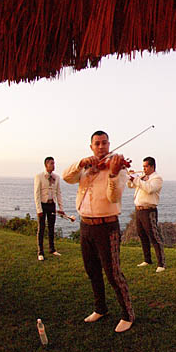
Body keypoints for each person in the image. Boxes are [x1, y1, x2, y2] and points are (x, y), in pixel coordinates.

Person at [62, 130, 134, 333]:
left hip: (107, 226)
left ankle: (127, 314)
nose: (101, 147)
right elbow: (67, 177)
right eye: (97, 144)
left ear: (109, 145)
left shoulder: (117, 168)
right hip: (86, 225)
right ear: (91, 147)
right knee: (92, 270)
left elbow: (114, 197)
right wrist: (81, 163)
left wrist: (111, 173)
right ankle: (100, 308)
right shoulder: (86, 168)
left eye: (104, 143)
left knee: (112, 273)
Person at [128, 156, 166, 273]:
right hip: (139, 210)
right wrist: (131, 178)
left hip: (149, 210)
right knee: (142, 235)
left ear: (152, 166)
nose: (143, 168)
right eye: (143, 166)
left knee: (154, 236)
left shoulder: (157, 178)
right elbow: (130, 186)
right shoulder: (143, 177)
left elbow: (149, 189)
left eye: (145, 166)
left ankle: (161, 264)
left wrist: (136, 179)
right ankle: (147, 259)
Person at [34, 156, 65, 261]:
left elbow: (58, 193)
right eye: (51, 163)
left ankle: (52, 249)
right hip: (43, 205)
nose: (53, 165)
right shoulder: (39, 176)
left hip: (52, 205)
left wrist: (61, 207)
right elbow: (36, 194)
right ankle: (40, 251)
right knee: (41, 228)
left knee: (51, 228)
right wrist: (39, 210)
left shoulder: (56, 177)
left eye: (54, 163)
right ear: (46, 164)